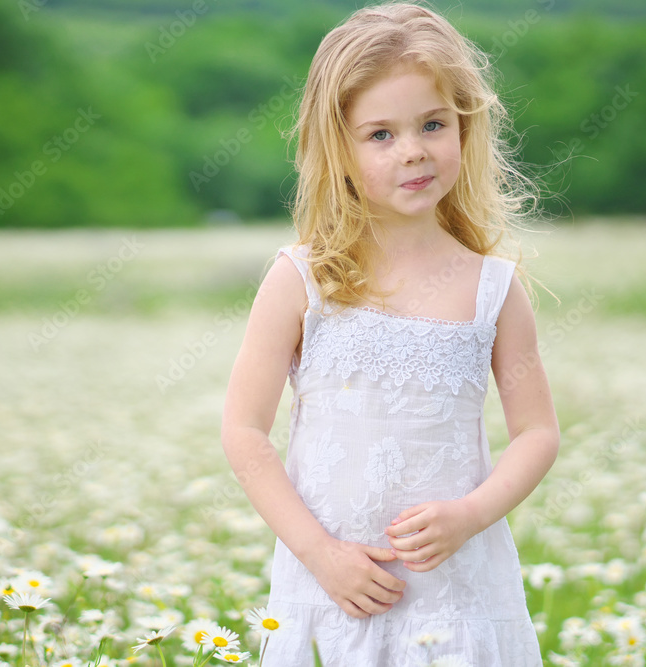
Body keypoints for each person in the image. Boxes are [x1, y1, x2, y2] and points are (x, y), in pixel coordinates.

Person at [221, 3, 559, 664]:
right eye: (380, 134)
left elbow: (538, 432)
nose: (414, 150)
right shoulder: (301, 280)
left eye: (433, 124)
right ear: (338, 149)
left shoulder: (493, 288)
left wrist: (471, 514)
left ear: (465, 128)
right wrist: (320, 554)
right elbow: (243, 430)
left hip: (458, 592)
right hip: (333, 589)